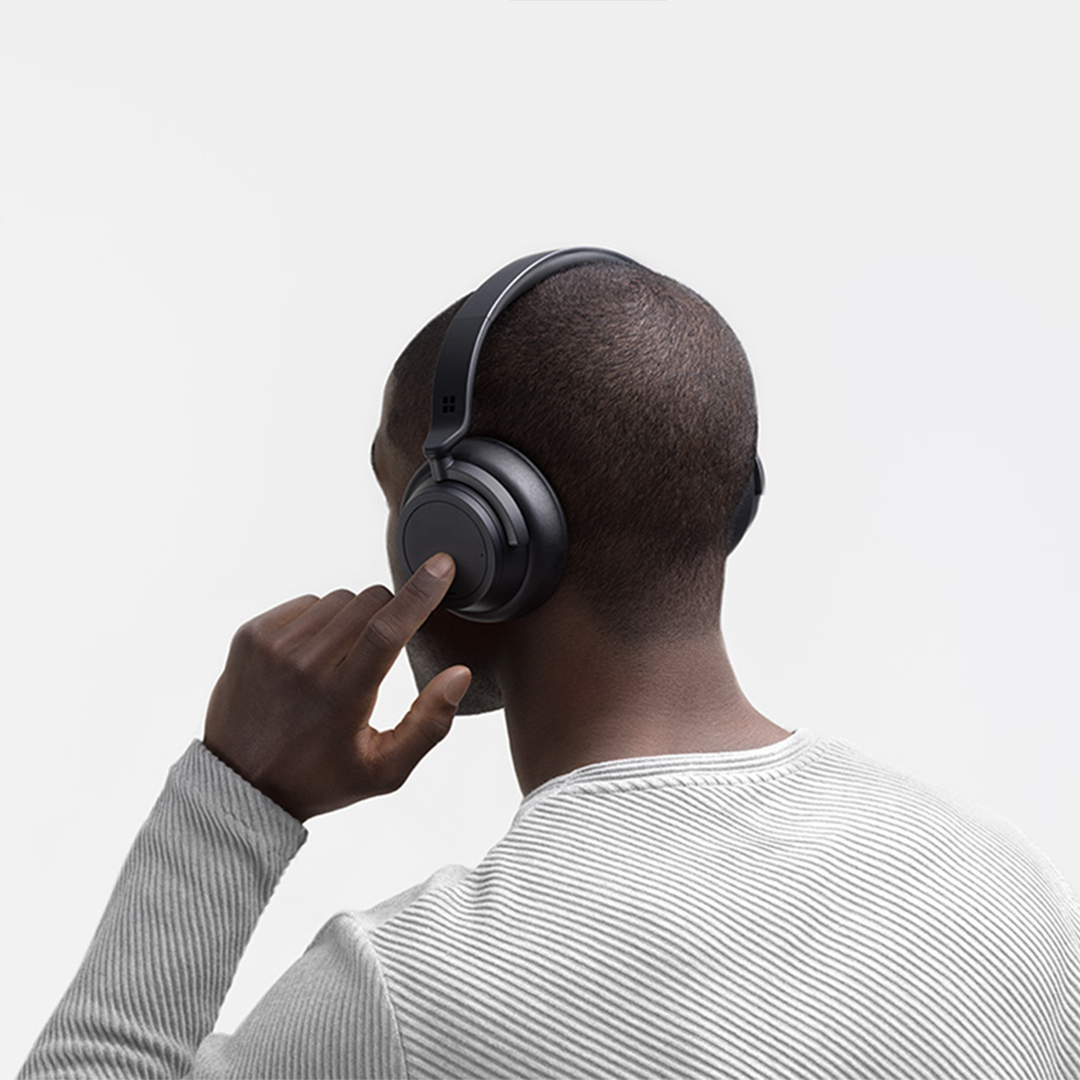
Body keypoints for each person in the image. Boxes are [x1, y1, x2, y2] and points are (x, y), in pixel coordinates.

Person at [18, 255, 1079, 1079]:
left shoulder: (418, 996)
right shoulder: (1000, 883)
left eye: (400, 502)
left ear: (477, 534)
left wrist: (232, 796)